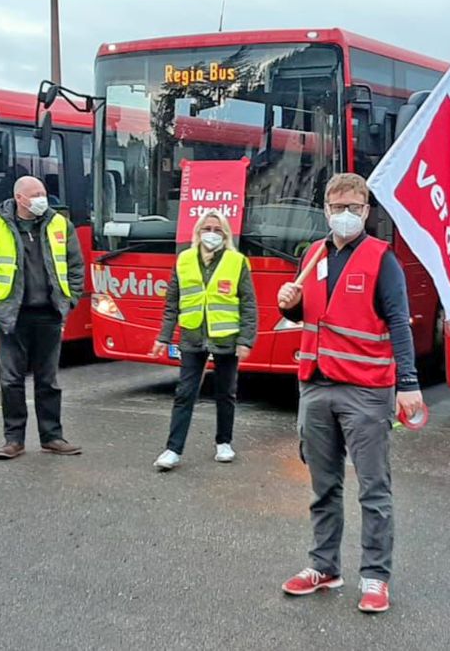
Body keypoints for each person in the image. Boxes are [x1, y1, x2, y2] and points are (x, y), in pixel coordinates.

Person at [275, 173, 425, 614]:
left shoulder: (383, 260)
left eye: (353, 208)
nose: (344, 215)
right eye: (336, 207)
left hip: (366, 391)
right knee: (323, 487)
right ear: (324, 208)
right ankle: (324, 567)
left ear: (366, 211)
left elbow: (399, 323)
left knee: (373, 491)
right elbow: (311, 311)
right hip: (316, 385)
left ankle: (375, 577)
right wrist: (291, 304)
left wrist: (410, 385)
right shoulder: (314, 254)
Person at [0, 176, 86, 460]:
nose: (41, 199)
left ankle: (52, 436)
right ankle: (14, 440)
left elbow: (75, 266)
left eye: (43, 193)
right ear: (19, 198)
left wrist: (69, 302)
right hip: (11, 316)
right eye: (35, 194)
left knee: (49, 380)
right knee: (11, 380)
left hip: (49, 313)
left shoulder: (59, 224)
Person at [148, 211, 259, 470]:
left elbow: (248, 304)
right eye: (207, 228)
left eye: (218, 229)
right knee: (184, 394)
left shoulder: (237, 261)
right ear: (197, 232)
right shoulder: (184, 260)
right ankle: (173, 450)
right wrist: (163, 338)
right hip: (192, 337)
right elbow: (171, 304)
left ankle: (224, 443)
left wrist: (246, 340)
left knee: (225, 393)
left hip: (226, 339)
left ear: (226, 234)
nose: (212, 233)